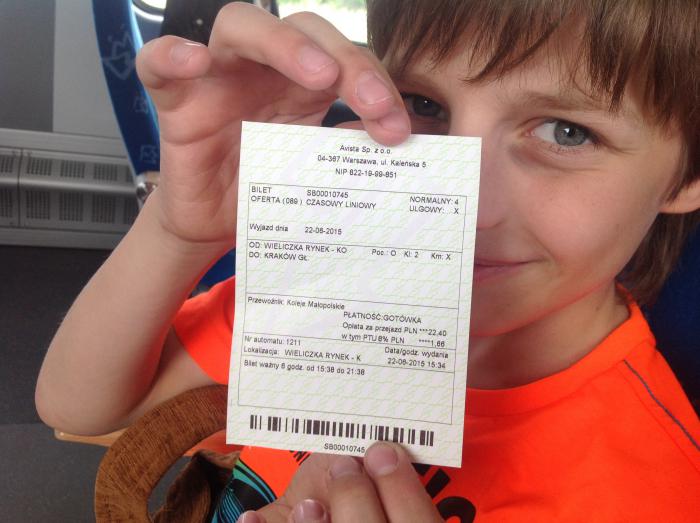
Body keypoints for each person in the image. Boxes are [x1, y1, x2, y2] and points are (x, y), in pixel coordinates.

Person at [36, 0, 700, 521]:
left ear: (687, 172)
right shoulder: (334, 296)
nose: (462, 204)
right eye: (424, 105)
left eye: (567, 132)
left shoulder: (659, 491)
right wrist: (182, 231)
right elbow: (79, 406)